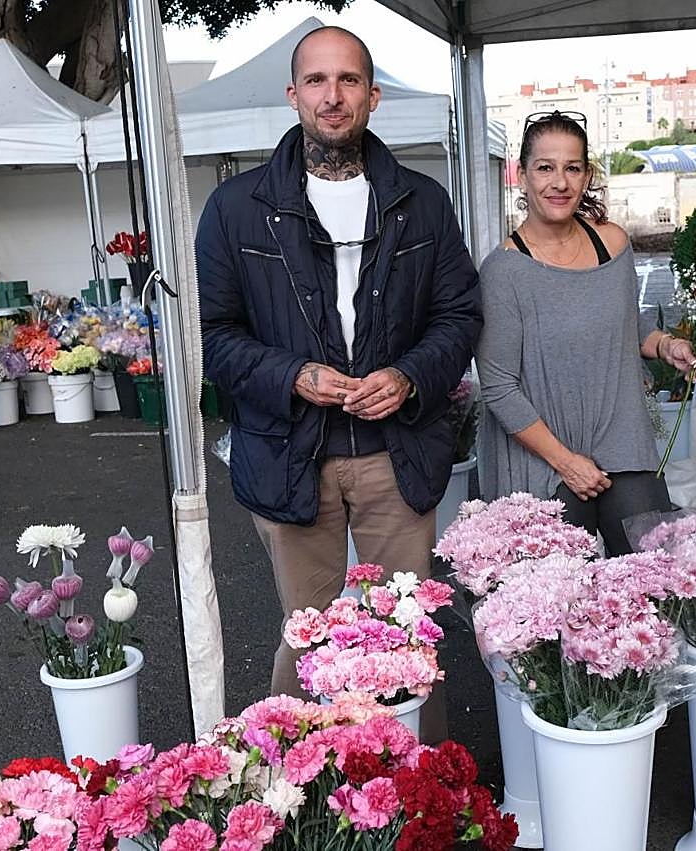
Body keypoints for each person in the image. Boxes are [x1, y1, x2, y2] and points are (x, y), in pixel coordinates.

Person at [197, 26, 481, 721]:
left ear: (372, 95)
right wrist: (291, 373)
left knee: (409, 638)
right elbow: (208, 334)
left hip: (396, 454)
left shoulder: (422, 201)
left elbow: (459, 316)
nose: (333, 96)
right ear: (294, 94)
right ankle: (294, 786)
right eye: (318, 81)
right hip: (292, 454)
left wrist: (411, 377)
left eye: (348, 80)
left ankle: (422, 799)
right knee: (310, 637)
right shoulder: (238, 209)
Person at [476, 111, 696, 554]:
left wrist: (667, 345)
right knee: (561, 606)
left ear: (586, 176)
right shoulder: (503, 271)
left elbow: (628, 325)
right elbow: (499, 387)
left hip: (620, 438)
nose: (559, 182)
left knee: (656, 576)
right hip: (544, 457)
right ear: (522, 176)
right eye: (545, 167)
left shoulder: (613, 243)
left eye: (572, 167)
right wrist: (567, 463)